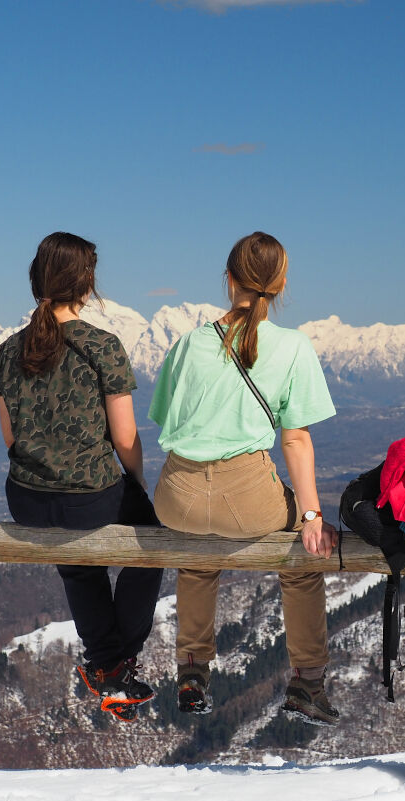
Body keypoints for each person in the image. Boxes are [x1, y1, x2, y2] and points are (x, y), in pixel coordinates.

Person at [148, 231, 341, 725]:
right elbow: (295, 440)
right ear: (280, 286)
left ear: (228, 279)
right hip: (247, 498)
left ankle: (192, 669)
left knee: (197, 551)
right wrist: (312, 515)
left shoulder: (189, 344)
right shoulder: (293, 347)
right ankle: (307, 681)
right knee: (300, 555)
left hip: (176, 496)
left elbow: (167, 421)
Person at [0, 232, 163, 722]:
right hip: (90, 497)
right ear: (86, 284)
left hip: (25, 499)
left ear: (36, 280)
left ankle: (109, 666)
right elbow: (126, 438)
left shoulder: (9, 350)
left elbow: (10, 440)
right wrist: (138, 483)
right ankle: (112, 662)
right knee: (152, 542)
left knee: (77, 562)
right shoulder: (101, 346)